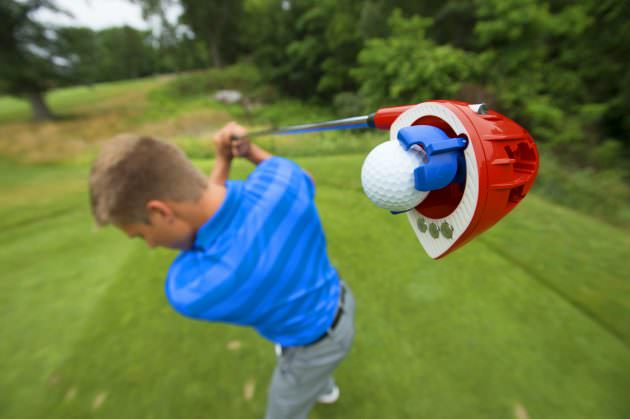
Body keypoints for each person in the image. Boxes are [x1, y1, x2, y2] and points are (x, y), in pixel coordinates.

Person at [88, 122, 355, 419]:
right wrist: (250, 151)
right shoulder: (281, 181)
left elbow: (202, 233)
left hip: (312, 342)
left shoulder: (193, 288)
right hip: (337, 295)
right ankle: (323, 385)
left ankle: (318, 381)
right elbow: (305, 180)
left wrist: (222, 162)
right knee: (312, 361)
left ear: (160, 212)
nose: (149, 245)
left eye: (140, 234)